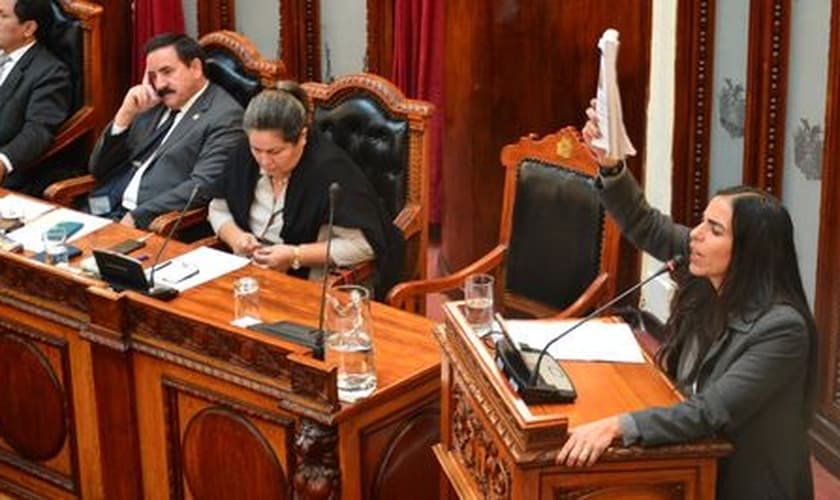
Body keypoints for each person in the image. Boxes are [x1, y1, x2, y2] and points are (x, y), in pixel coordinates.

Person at [555, 104, 817, 499]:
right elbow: (646, 223)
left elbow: (711, 411)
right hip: (694, 461)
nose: (695, 235)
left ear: (748, 253)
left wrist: (617, 426)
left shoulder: (782, 330)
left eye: (714, 230)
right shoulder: (707, 273)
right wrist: (610, 166)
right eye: (702, 222)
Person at [208, 84, 404, 299]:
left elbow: (363, 245)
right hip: (247, 276)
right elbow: (217, 208)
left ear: (301, 137)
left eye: (275, 152)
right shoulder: (245, 153)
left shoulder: (330, 171)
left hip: (309, 282)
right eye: (257, 150)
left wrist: (296, 255)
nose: (264, 161)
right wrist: (236, 238)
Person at [87, 33, 243, 229]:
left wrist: (138, 216)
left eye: (167, 72)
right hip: (105, 208)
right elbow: (98, 168)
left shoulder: (225, 117)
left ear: (195, 68)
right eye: (153, 76)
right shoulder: (151, 104)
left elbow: (201, 186)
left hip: (152, 224)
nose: (160, 84)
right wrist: (125, 115)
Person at [0, 0, 72, 195]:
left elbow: (38, 130)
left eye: (2, 15)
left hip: (13, 178)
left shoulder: (50, 72)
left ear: (28, 28)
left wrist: (3, 161)